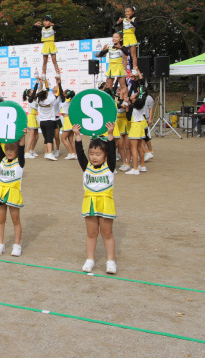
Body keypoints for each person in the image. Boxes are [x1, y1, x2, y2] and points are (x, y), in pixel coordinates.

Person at [73, 122, 118, 274]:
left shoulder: (110, 167)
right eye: (92, 154)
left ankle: (110, 261)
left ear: (104, 155)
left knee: (107, 233)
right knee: (91, 233)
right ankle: (90, 259)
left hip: (105, 203)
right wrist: (77, 136)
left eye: (98, 154)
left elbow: (112, 151)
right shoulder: (86, 167)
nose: (94, 157)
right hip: (90, 202)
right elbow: (79, 153)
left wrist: (110, 134)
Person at [0, 136, 26, 257]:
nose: (9, 152)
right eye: (7, 149)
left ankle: (17, 245)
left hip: (13, 194)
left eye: (12, 149)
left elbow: (22, 147)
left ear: (17, 151)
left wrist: (23, 135)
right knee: (1, 220)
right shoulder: (2, 159)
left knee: (16, 220)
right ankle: (0, 244)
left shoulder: (20, 161)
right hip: (0, 192)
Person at [125, 84, 148, 175]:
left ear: (135, 100)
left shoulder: (132, 108)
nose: (134, 95)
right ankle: (142, 165)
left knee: (133, 148)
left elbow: (128, 117)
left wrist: (126, 107)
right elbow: (139, 93)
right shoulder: (141, 105)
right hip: (140, 126)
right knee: (139, 147)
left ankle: (135, 168)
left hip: (135, 127)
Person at [35, 78, 61, 160]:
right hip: (49, 121)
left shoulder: (39, 101)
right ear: (45, 96)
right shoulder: (50, 100)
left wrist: (43, 82)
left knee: (46, 138)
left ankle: (46, 153)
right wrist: (59, 83)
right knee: (50, 138)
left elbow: (45, 90)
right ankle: (50, 153)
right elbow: (57, 93)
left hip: (42, 122)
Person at [115, 6, 139, 75]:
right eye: (126, 12)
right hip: (125, 37)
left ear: (133, 12)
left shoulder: (134, 18)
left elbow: (135, 25)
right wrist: (118, 21)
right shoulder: (124, 19)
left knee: (133, 54)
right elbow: (115, 25)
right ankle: (124, 69)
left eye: (129, 11)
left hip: (131, 36)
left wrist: (130, 20)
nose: (127, 13)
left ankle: (134, 68)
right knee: (125, 55)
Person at [60, 88, 77, 160]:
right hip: (71, 120)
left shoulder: (65, 101)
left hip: (67, 121)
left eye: (64, 92)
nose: (62, 93)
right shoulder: (72, 101)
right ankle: (75, 154)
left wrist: (59, 83)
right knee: (70, 138)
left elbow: (60, 92)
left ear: (65, 95)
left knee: (63, 139)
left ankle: (71, 153)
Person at [23, 85, 40, 159]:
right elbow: (36, 90)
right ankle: (26, 152)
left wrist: (41, 82)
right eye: (33, 92)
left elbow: (39, 90)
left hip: (34, 117)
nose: (34, 92)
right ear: (30, 94)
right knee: (31, 136)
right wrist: (36, 82)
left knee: (36, 136)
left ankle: (31, 150)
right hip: (31, 117)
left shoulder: (35, 99)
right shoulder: (30, 99)